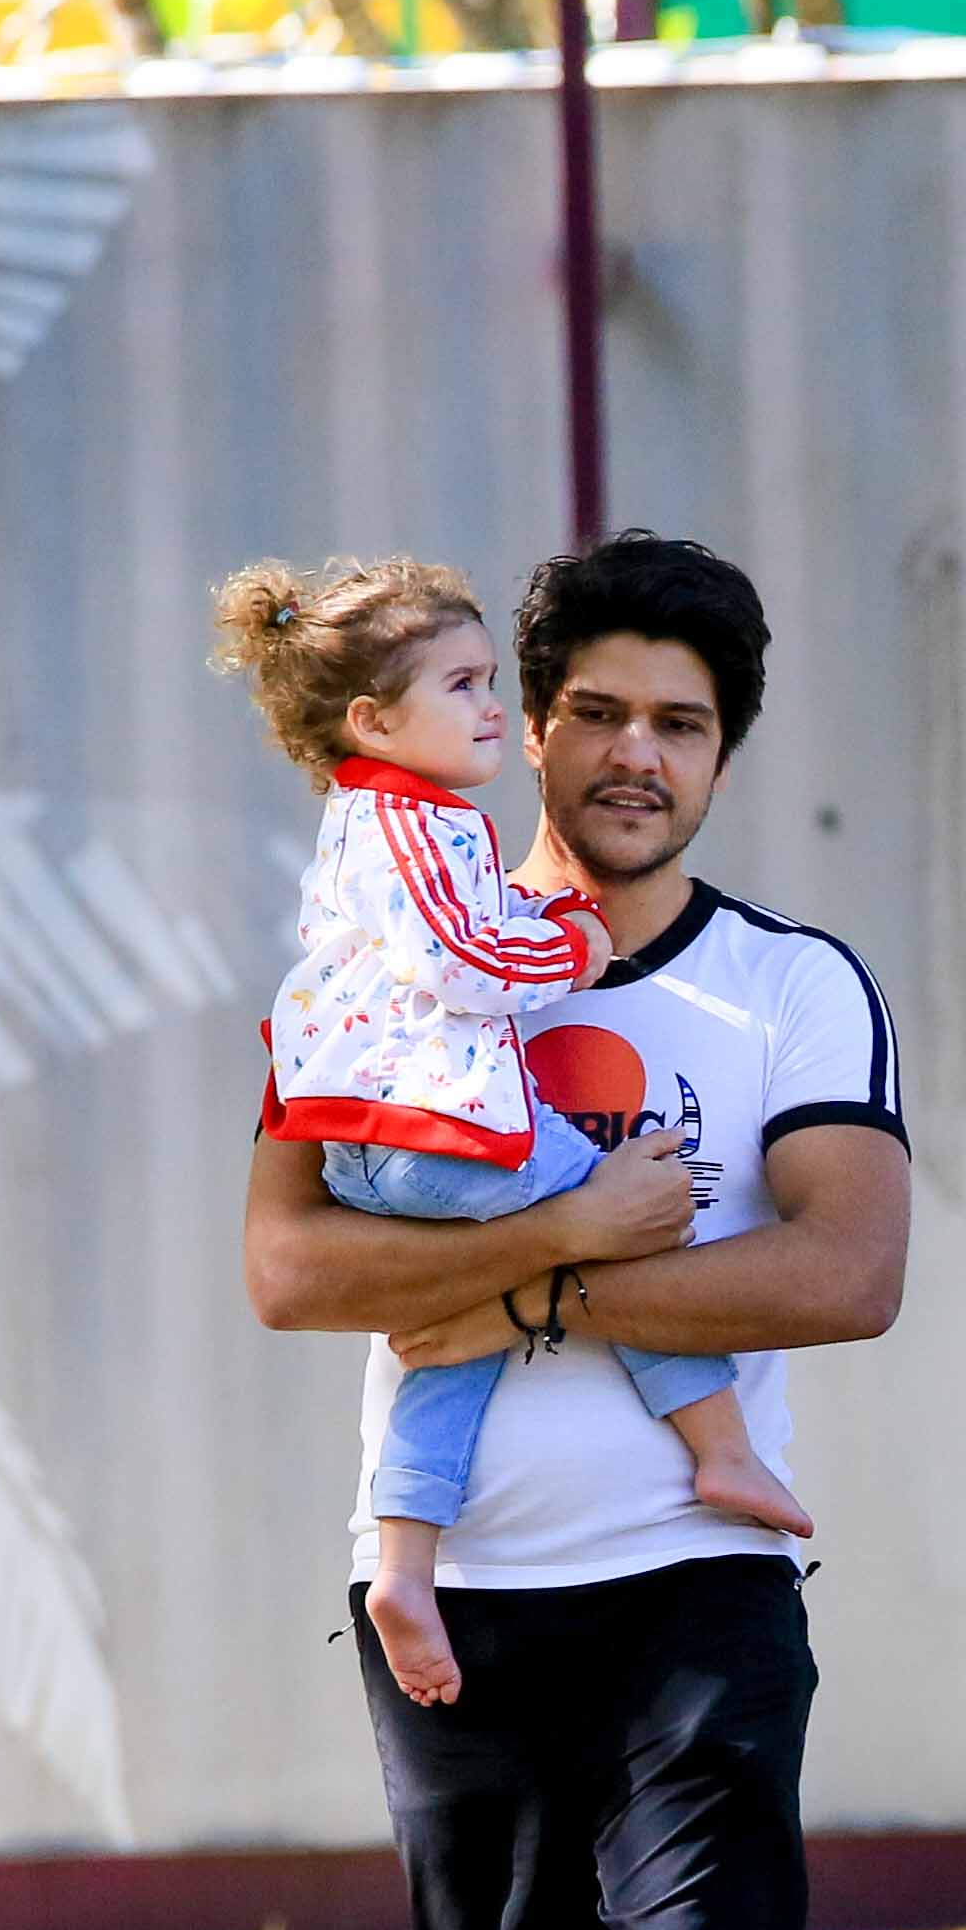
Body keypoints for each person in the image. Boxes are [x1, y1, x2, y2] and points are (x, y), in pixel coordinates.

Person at [240, 531, 912, 1930]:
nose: (635, 758)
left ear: (723, 754)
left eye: (681, 726)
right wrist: (559, 1263)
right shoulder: (381, 944)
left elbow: (839, 1271)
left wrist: (514, 1277)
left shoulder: (785, 990)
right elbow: (290, 1266)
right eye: (597, 713)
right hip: (451, 1618)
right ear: (521, 719)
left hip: (701, 1591)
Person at [221, 554, 810, 1711]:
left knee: (452, 1343)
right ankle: (720, 1443)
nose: (486, 708)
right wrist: (568, 950)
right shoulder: (416, 825)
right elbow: (461, 955)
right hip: (433, 1123)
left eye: (490, 680)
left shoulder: (362, 825)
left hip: (379, 1133)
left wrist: (492, 1295)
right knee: (632, 1215)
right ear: (373, 718)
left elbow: (854, 1275)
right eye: (464, 686)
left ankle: (404, 1560)